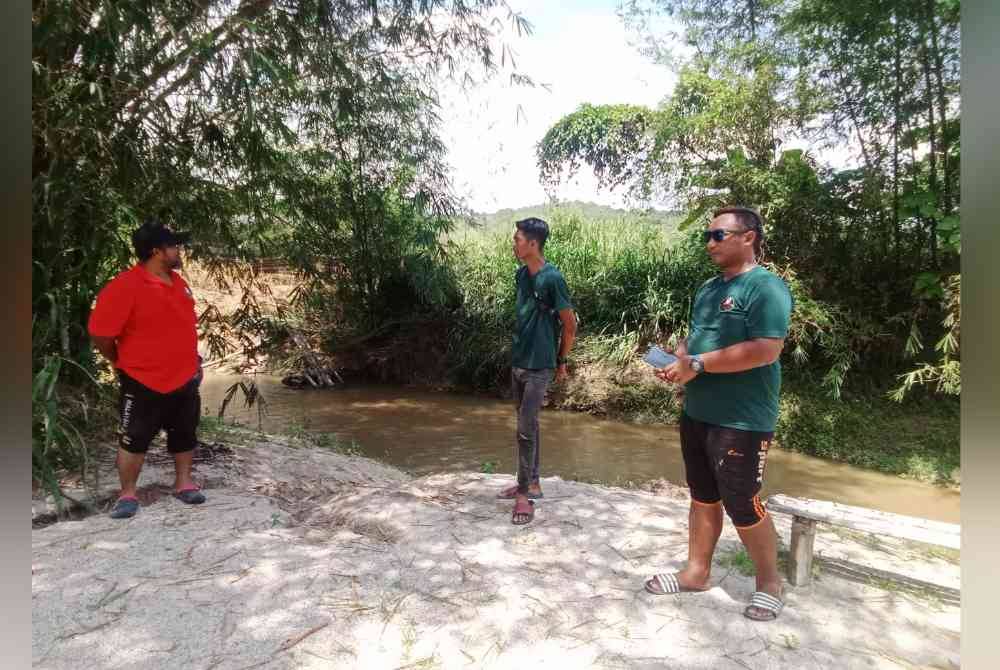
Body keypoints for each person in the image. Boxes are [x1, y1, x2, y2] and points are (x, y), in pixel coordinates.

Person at [644, 206, 793, 622]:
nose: (709, 242)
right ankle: (696, 573)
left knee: (743, 502)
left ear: (748, 237)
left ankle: (769, 584)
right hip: (699, 412)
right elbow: (696, 344)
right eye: (707, 235)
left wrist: (701, 364)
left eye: (718, 235)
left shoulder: (767, 288)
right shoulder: (709, 289)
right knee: (702, 495)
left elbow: (767, 349)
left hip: (743, 419)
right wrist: (680, 365)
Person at [88, 219, 206, 519]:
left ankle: (184, 483)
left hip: (184, 377)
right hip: (142, 379)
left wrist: (194, 363)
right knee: (133, 438)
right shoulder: (124, 287)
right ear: (157, 251)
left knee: (185, 434)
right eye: (173, 245)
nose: (179, 250)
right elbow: (101, 334)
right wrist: (119, 361)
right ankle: (128, 494)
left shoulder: (178, 283)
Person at [497, 217, 577, 525]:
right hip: (519, 360)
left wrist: (561, 360)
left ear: (533, 244)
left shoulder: (552, 278)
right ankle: (532, 481)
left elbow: (570, 326)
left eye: (518, 239)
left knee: (525, 428)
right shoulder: (521, 275)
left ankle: (524, 495)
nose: (514, 243)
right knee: (526, 425)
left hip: (540, 365)